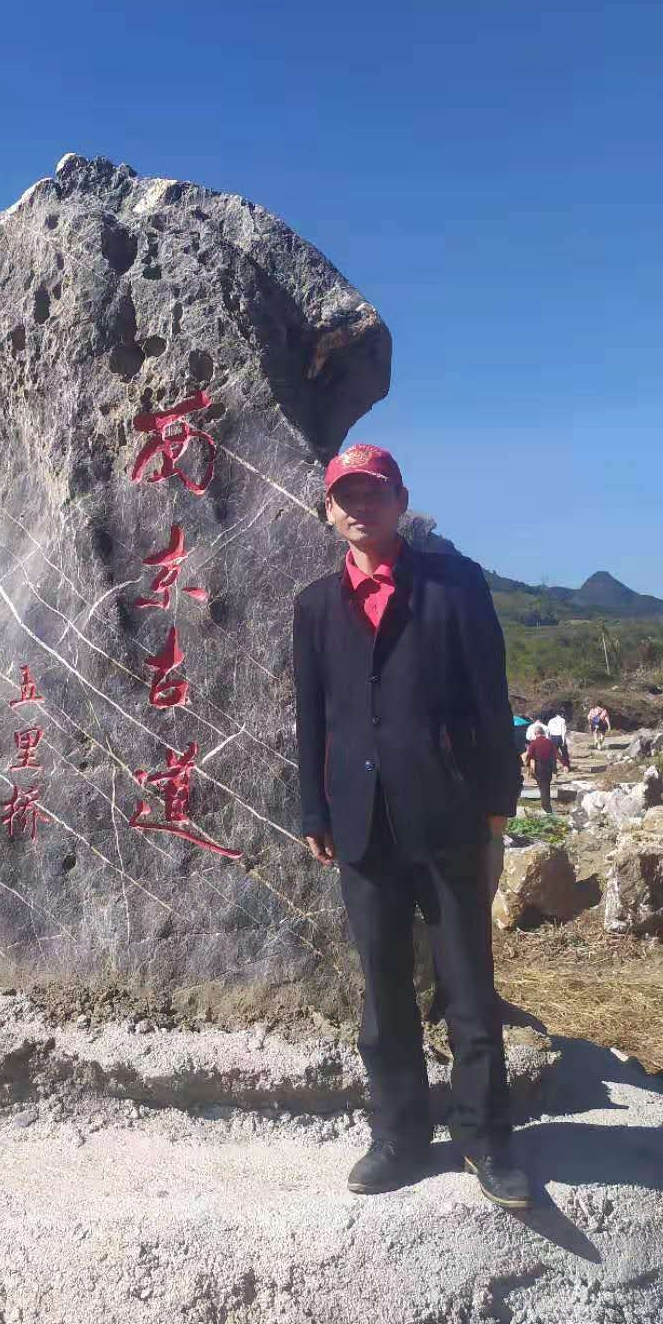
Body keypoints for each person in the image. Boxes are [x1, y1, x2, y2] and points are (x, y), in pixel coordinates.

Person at [293, 443, 529, 1210]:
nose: (360, 507)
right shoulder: (314, 605)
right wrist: (314, 809)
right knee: (384, 989)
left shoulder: (454, 585)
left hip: (448, 813)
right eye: (346, 496)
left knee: (468, 985)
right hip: (360, 824)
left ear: (400, 500)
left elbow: (490, 697)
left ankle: (486, 1138)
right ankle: (398, 1136)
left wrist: (496, 801)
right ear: (329, 510)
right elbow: (313, 717)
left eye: (375, 493)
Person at [525, 725, 559, 814]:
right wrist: (555, 769)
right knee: (546, 787)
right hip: (548, 767)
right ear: (543, 733)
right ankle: (547, 806)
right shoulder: (549, 742)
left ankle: (546, 808)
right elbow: (555, 755)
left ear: (535, 733)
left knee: (543, 788)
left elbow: (530, 755)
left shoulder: (534, 743)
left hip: (539, 767)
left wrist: (527, 764)